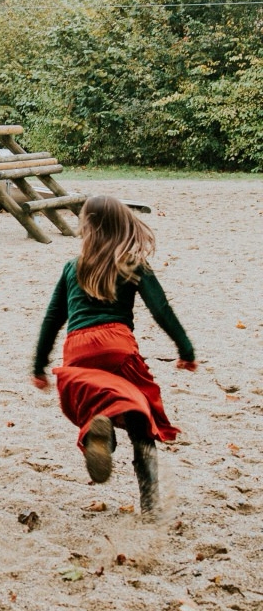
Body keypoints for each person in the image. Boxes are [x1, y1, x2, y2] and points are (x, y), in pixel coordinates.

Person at [33, 196, 198, 513]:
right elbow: (161, 309)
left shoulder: (72, 268)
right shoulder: (134, 265)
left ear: (87, 228)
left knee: (96, 403)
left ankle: (103, 441)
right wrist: (185, 349)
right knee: (141, 414)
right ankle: (150, 503)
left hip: (78, 349)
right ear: (123, 225)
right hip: (117, 345)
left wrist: (39, 366)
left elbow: (52, 320)